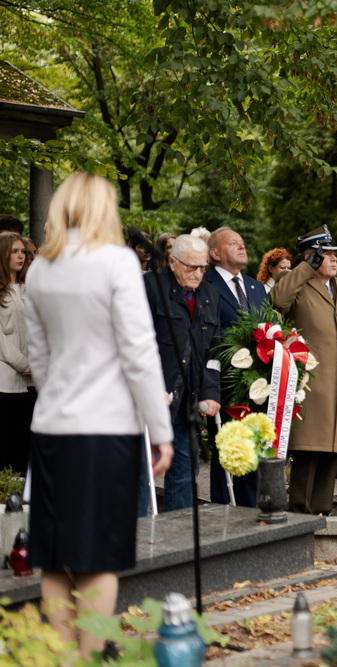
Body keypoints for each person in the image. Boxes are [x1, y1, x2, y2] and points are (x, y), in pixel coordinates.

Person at [23, 173, 173, 658]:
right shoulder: (117, 262)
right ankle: (90, 658)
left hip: (52, 426)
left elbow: (39, 357)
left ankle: (63, 659)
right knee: (99, 556)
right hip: (105, 428)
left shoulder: (40, 269)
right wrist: (161, 430)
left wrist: (60, 395)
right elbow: (138, 351)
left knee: (54, 557)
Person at [271, 225, 337, 515]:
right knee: (308, 451)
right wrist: (306, 267)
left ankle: (322, 512)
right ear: (311, 256)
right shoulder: (294, 281)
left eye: (334, 254)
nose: (334, 259)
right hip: (311, 386)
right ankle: (299, 512)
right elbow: (278, 300)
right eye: (327, 254)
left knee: (332, 454)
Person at [143, 234, 221, 512]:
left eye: (203, 267)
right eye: (191, 266)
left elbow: (214, 350)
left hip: (190, 396)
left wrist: (210, 391)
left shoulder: (210, 295)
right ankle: (136, 532)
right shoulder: (150, 287)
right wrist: (151, 387)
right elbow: (138, 344)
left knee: (185, 469)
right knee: (143, 469)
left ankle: (181, 532)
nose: (198, 273)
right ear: (172, 261)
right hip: (155, 394)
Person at [203, 226, 268, 506]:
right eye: (233, 243)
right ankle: (223, 514)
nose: (241, 246)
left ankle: (250, 512)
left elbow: (269, 329)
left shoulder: (255, 286)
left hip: (259, 385)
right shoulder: (205, 284)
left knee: (253, 452)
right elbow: (206, 337)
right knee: (228, 453)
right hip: (226, 384)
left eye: (242, 242)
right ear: (215, 254)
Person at [0, 232, 33, 474]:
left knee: (24, 445)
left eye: (23, 251)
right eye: (14, 251)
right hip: (6, 381)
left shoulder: (27, 289)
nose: (21, 256)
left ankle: (21, 492)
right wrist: (24, 363)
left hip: (31, 380)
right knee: (6, 444)